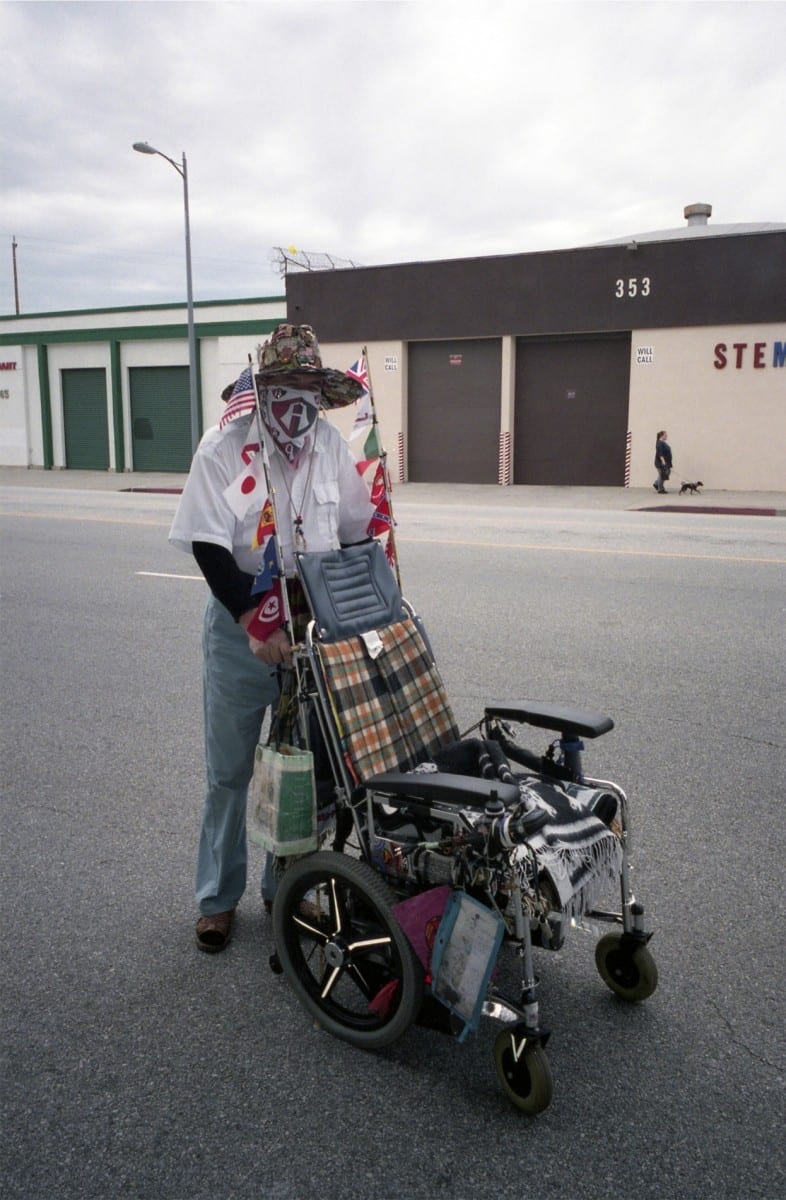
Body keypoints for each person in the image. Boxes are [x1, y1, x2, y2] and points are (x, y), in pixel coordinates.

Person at [169, 324, 373, 952]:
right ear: (262, 388)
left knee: (305, 772)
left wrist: (366, 616)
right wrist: (254, 625)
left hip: (313, 632)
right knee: (230, 773)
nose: (298, 399)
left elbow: (358, 536)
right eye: (285, 384)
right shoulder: (227, 447)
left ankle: (282, 887)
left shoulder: (332, 448)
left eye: (309, 386)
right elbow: (207, 542)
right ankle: (216, 899)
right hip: (242, 627)